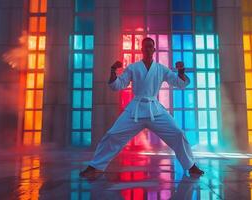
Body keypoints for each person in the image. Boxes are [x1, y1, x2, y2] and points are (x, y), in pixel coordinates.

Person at [79, 37, 204, 179]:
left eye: (151, 46)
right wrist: (113, 71)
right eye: (145, 47)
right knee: (113, 135)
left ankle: (191, 166)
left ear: (154, 49)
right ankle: (95, 166)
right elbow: (118, 85)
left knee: (178, 133)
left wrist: (181, 72)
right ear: (142, 50)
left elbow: (179, 83)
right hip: (135, 110)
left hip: (155, 110)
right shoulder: (133, 67)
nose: (148, 49)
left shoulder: (161, 69)